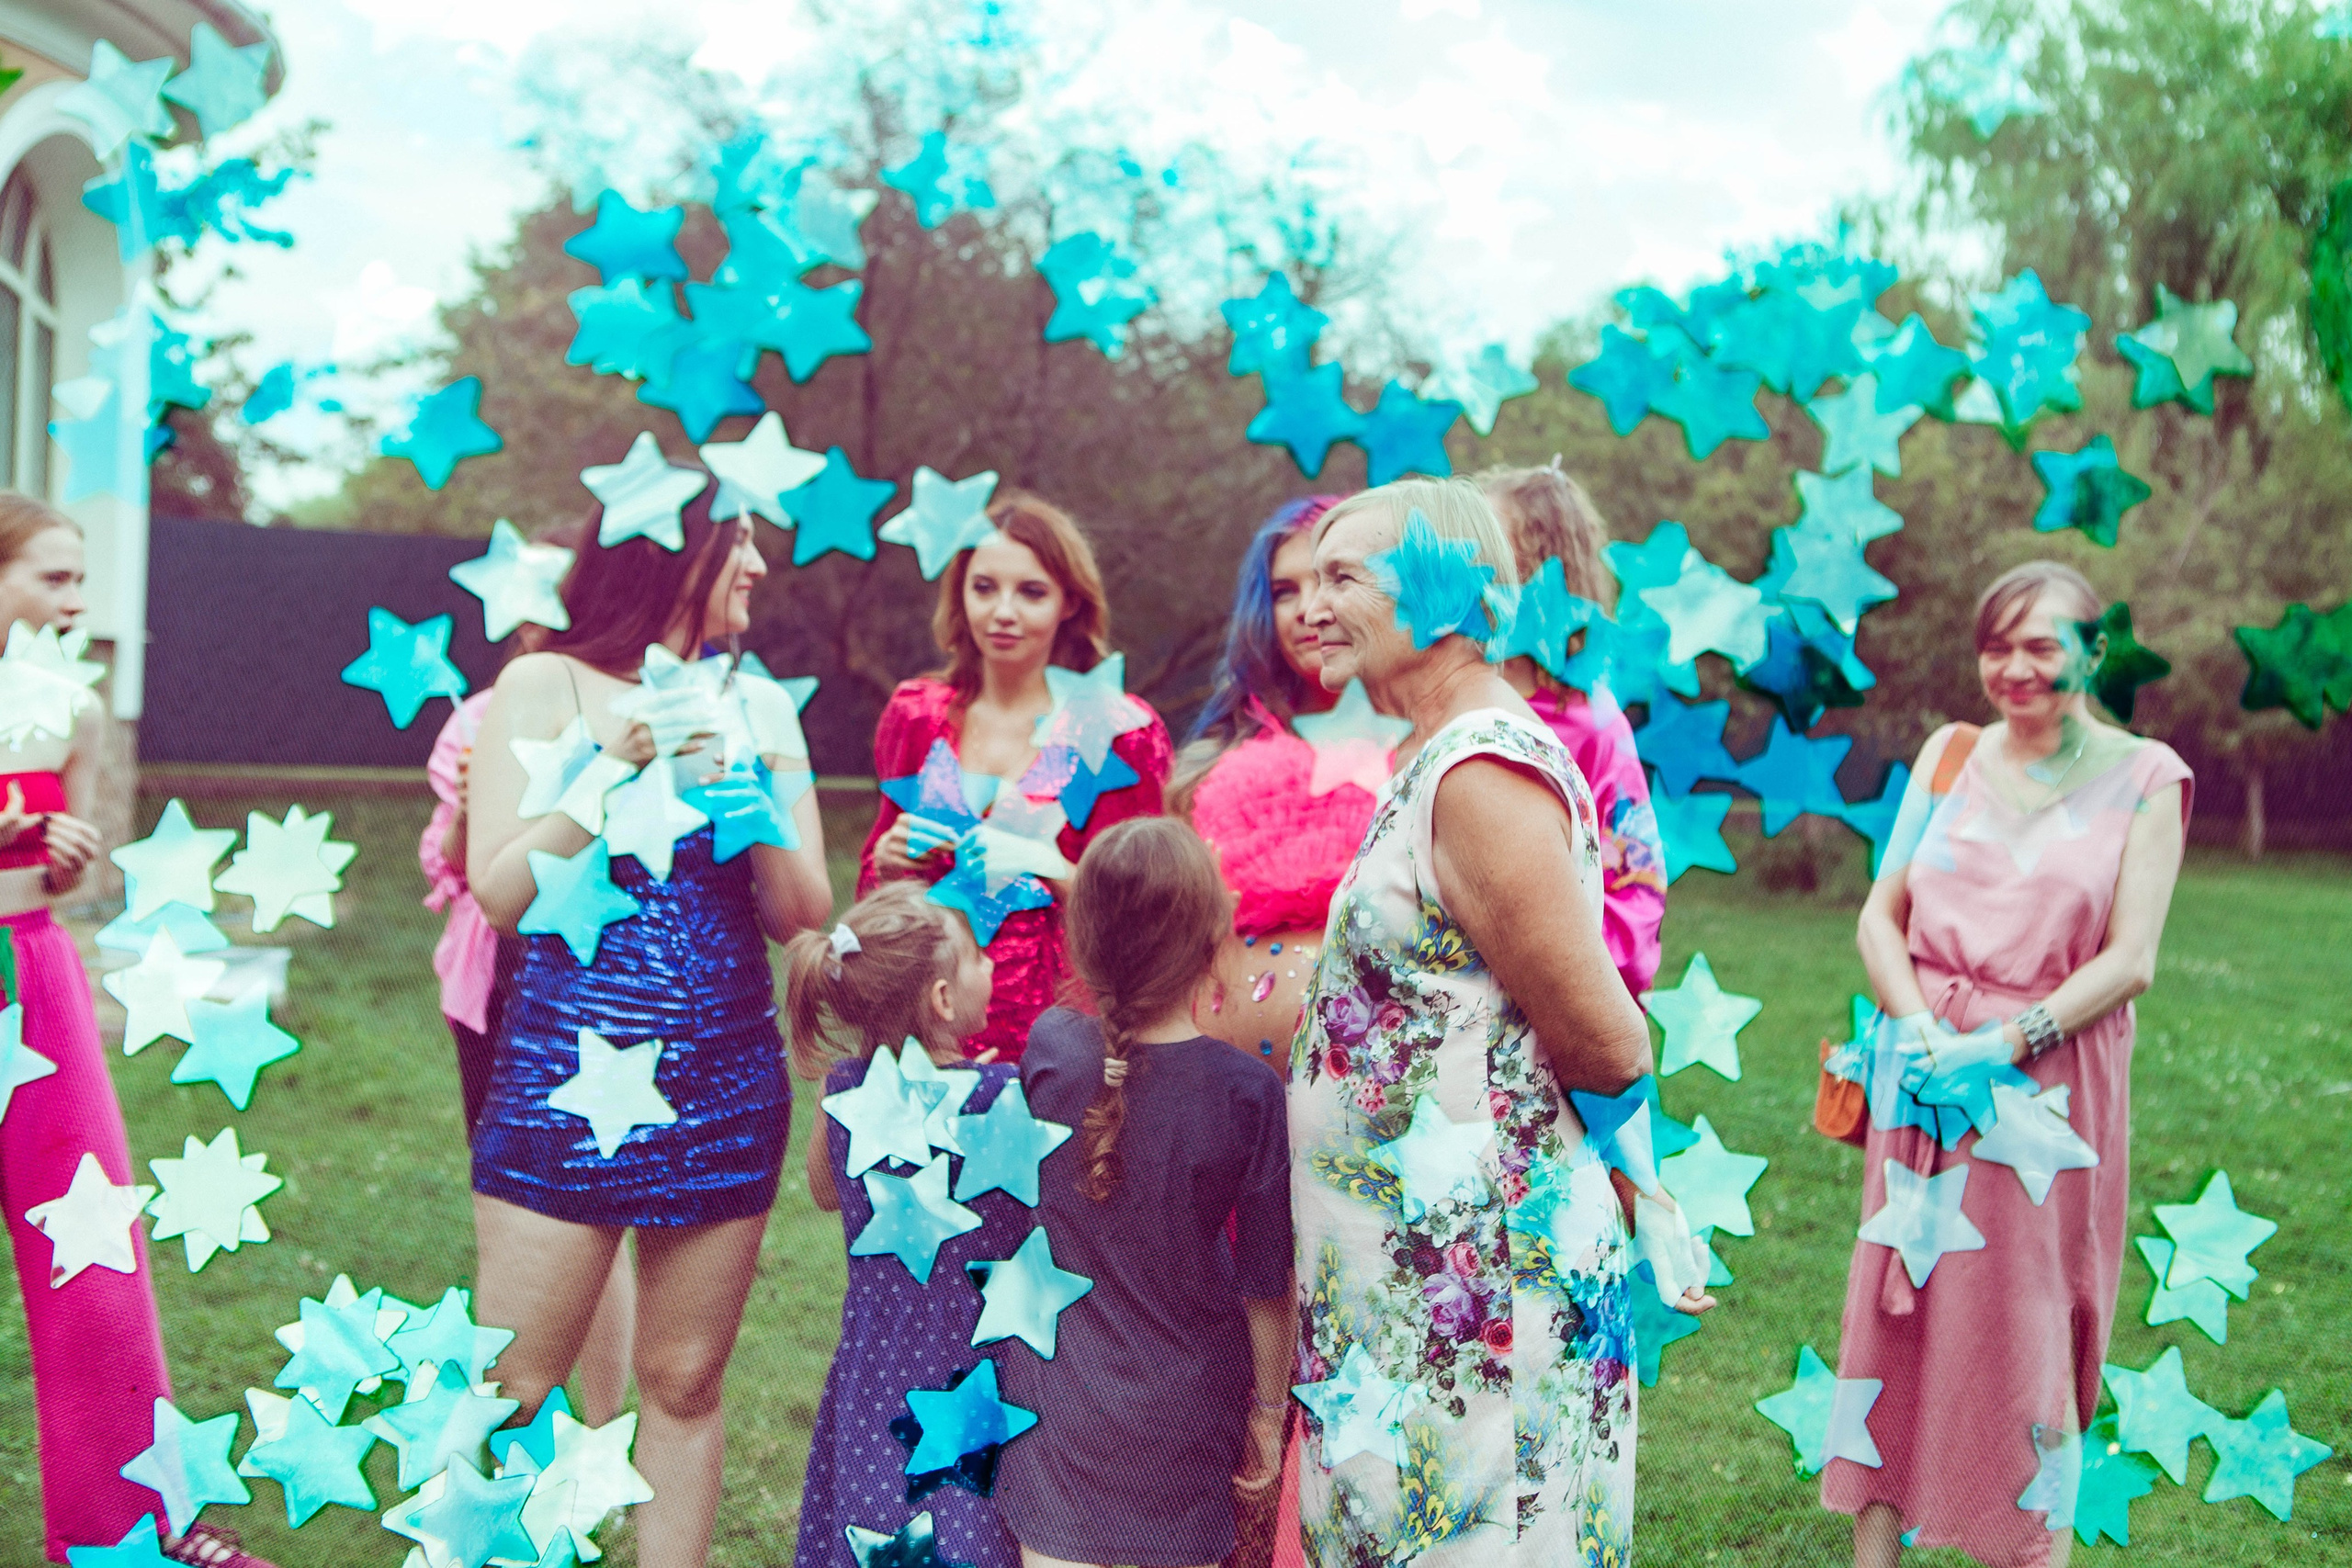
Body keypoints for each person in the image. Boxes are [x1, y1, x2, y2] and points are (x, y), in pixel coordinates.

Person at [1286, 479, 1711, 1566]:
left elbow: (1605, 1033)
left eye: (1344, 577)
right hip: (1416, 1292)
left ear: (1439, 590)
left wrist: (1640, 1178)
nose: (1311, 606)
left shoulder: (1479, 771)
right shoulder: (1437, 752)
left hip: (1481, 1295)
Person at [466, 485, 832, 1566]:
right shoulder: (542, 684)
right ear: (666, 560)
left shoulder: (762, 706)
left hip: (724, 1086)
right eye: (738, 550)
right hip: (559, 1086)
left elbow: (801, 911)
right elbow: (499, 892)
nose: (759, 570)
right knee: (517, 1385)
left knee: (682, 1379)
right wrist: (611, 765)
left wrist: (744, 790)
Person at [1828, 561, 2190, 1568]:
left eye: (2041, 645)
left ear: (2093, 651)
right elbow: (1879, 913)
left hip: (2047, 1091)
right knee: (1893, 1311)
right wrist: (1921, 1034)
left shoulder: (2147, 778)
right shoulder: (1948, 755)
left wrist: (2003, 1044)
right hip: (1924, 1072)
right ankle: (1874, 1557)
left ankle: (2025, 1550)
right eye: (1998, 646)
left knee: (2028, 1327)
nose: (2015, 669)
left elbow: (2132, 958)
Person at [0, 494, 274, 1567]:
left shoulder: (67, 705)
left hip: (32, 974)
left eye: (80, 581)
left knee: (94, 1261)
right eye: (53, 578)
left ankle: (132, 1533)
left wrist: (58, 860)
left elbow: (65, 870)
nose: (76, 602)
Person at [994, 818, 1294, 1568]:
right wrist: (1267, 1412)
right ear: (1211, 943)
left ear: (1082, 940)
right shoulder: (1248, 1096)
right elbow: (1267, 1284)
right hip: (1189, 1425)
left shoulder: (1051, 1051)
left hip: (1061, 1418)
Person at [858, 491, 1172, 1062]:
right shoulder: (916, 715)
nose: (1003, 611)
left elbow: (1150, 916)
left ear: (1070, 602)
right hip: (928, 1040)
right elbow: (875, 898)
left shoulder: (1119, 730)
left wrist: (1047, 866)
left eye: (1031, 591)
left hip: (1066, 1048)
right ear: (960, 594)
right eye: (984, 587)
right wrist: (887, 862)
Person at [785, 882, 1024, 1568]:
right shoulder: (998, 1098)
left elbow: (826, 1191)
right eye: (978, 956)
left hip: (875, 1366)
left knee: (882, 1525)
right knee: (967, 1526)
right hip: (977, 1374)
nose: (991, 968)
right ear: (945, 999)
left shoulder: (843, 1093)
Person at [420, 659, 633, 1428]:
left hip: (590, 985)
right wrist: (471, 811)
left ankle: (605, 1427)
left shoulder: (625, 710)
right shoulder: (476, 719)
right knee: (509, 1215)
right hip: (492, 990)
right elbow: (447, 868)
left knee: (595, 1208)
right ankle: (517, 1430)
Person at [1174, 495, 1375, 1074]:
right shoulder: (1209, 767)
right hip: (1230, 1093)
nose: (1307, 609)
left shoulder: (1428, 744)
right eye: (1283, 591)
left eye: (1327, 580)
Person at [1476, 462, 1666, 998]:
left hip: (1555, 1011)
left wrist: (1576, 986)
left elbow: (1636, 889)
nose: (1467, 563)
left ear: (1546, 566)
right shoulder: (1448, 696)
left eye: (1487, 546)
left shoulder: (1593, 726)